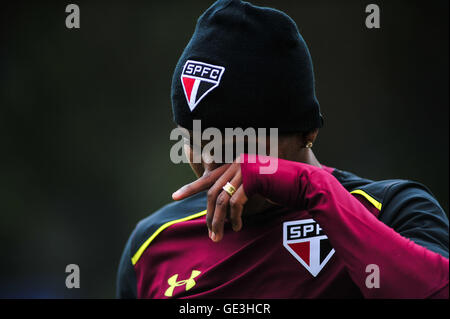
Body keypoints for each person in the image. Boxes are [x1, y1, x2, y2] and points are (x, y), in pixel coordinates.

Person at [116, 0, 449, 298]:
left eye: (235, 145)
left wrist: (311, 188)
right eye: (194, 141)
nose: (208, 164)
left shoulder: (391, 212)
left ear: (307, 131)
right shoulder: (151, 246)